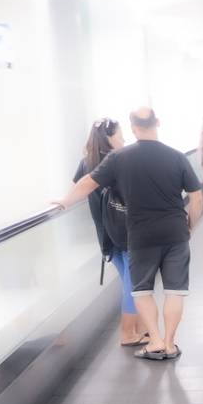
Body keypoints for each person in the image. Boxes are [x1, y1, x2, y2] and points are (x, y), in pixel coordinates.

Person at [55, 106, 203, 361]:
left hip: (140, 235)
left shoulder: (119, 158)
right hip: (175, 232)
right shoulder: (177, 157)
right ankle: (169, 343)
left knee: (141, 291)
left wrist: (64, 202)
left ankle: (154, 340)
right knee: (175, 290)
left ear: (133, 127)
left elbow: (87, 182)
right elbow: (196, 196)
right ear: (158, 122)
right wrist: (190, 225)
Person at [72, 118, 149, 348]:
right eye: (120, 134)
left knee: (131, 280)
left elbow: (77, 188)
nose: (124, 139)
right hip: (125, 231)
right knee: (134, 282)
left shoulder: (86, 163)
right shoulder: (117, 161)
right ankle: (127, 332)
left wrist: (64, 203)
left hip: (105, 234)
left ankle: (140, 328)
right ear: (109, 137)